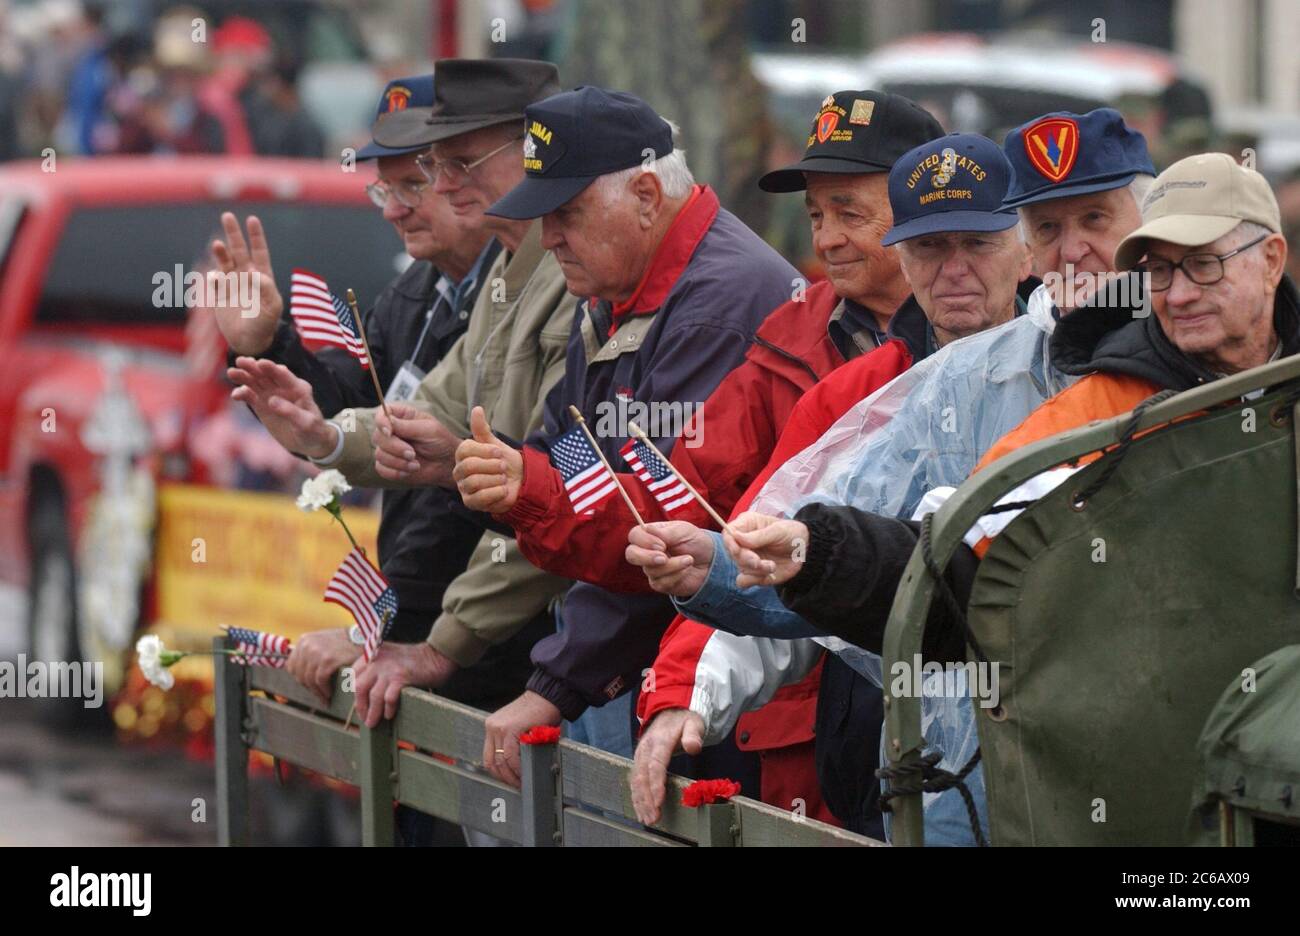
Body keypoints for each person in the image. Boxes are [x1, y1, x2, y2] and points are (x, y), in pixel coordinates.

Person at [627, 109, 1157, 843]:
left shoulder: (1204, 355)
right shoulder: (931, 388)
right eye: (930, 249)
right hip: (952, 790)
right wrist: (712, 581)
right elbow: (819, 545)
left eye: (1096, 218)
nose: (1074, 251)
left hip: (1148, 786)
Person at [451, 89, 944, 821]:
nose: (828, 238)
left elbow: (651, 498)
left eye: (851, 212)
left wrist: (539, 491)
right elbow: (675, 499)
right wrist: (534, 485)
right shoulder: (790, 334)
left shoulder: (724, 306)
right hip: (796, 726)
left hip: (862, 721)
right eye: (816, 215)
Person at [728, 151, 1298, 665]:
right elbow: (961, 561)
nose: (1177, 295)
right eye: (1159, 272)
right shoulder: (1099, 412)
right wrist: (816, 550)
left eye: (1203, 265)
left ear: (1271, 260)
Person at [221, 58, 575, 794]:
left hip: (511, 645)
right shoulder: (428, 290)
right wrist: (273, 349)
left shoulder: (549, 276)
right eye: (392, 184)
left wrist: (395, 630)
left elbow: (487, 484)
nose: (398, 205)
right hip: (454, 634)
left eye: (425, 178)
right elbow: (369, 415)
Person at [446, 86, 799, 788]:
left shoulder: (715, 305)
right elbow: (575, 452)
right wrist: (526, 478)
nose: (548, 240)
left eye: (567, 215)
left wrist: (554, 684)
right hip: (644, 677)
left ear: (645, 194)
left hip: (711, 698)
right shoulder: (623, 290)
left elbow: (659, 531)